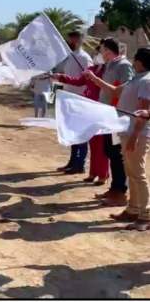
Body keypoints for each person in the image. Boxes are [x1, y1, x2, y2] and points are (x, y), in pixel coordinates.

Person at [85, 47, 150, 230]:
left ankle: (146, 215)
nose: (133, 62)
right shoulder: (135, 80)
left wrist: (135, 136)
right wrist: (95, 79)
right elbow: (115, 92)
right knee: (131, 173)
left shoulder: (146, 81)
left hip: (136, 134)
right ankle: (133, 209)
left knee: (138, 175)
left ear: (140, 62)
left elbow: (143, 112)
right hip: (125, 132)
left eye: (135, 60)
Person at [83, 37, 134, 207]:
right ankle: (114, 188)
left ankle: (121, 192)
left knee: (116, 153)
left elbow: (125, 90)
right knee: (110, 150)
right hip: (107, 115)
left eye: (102, 50)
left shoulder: (124, 65)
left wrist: (96, 80)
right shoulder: (110, 65)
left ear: (109, 52)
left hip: (117, 116)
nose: (100, 54)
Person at [52, 50, 109, 185]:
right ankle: (93, 173)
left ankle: (103, 174)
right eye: (97, 51)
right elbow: (79, 81)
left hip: (101, 108)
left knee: (101, 144)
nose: (98, 55)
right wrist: (62, 77)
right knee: (92, 142)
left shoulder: (107, 72)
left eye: (101, 51)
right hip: (88, 108)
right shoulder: (91, 69)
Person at [57, 31, 93, 174]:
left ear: (77, 41)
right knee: (72, 133)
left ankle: (80, 164)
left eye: (70, 40)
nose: (67, 43)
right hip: (68, 99)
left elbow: (87, 80)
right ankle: (73, 161)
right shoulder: (71, 57)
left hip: (79, 100)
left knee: (81, 133)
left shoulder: (84, 58)